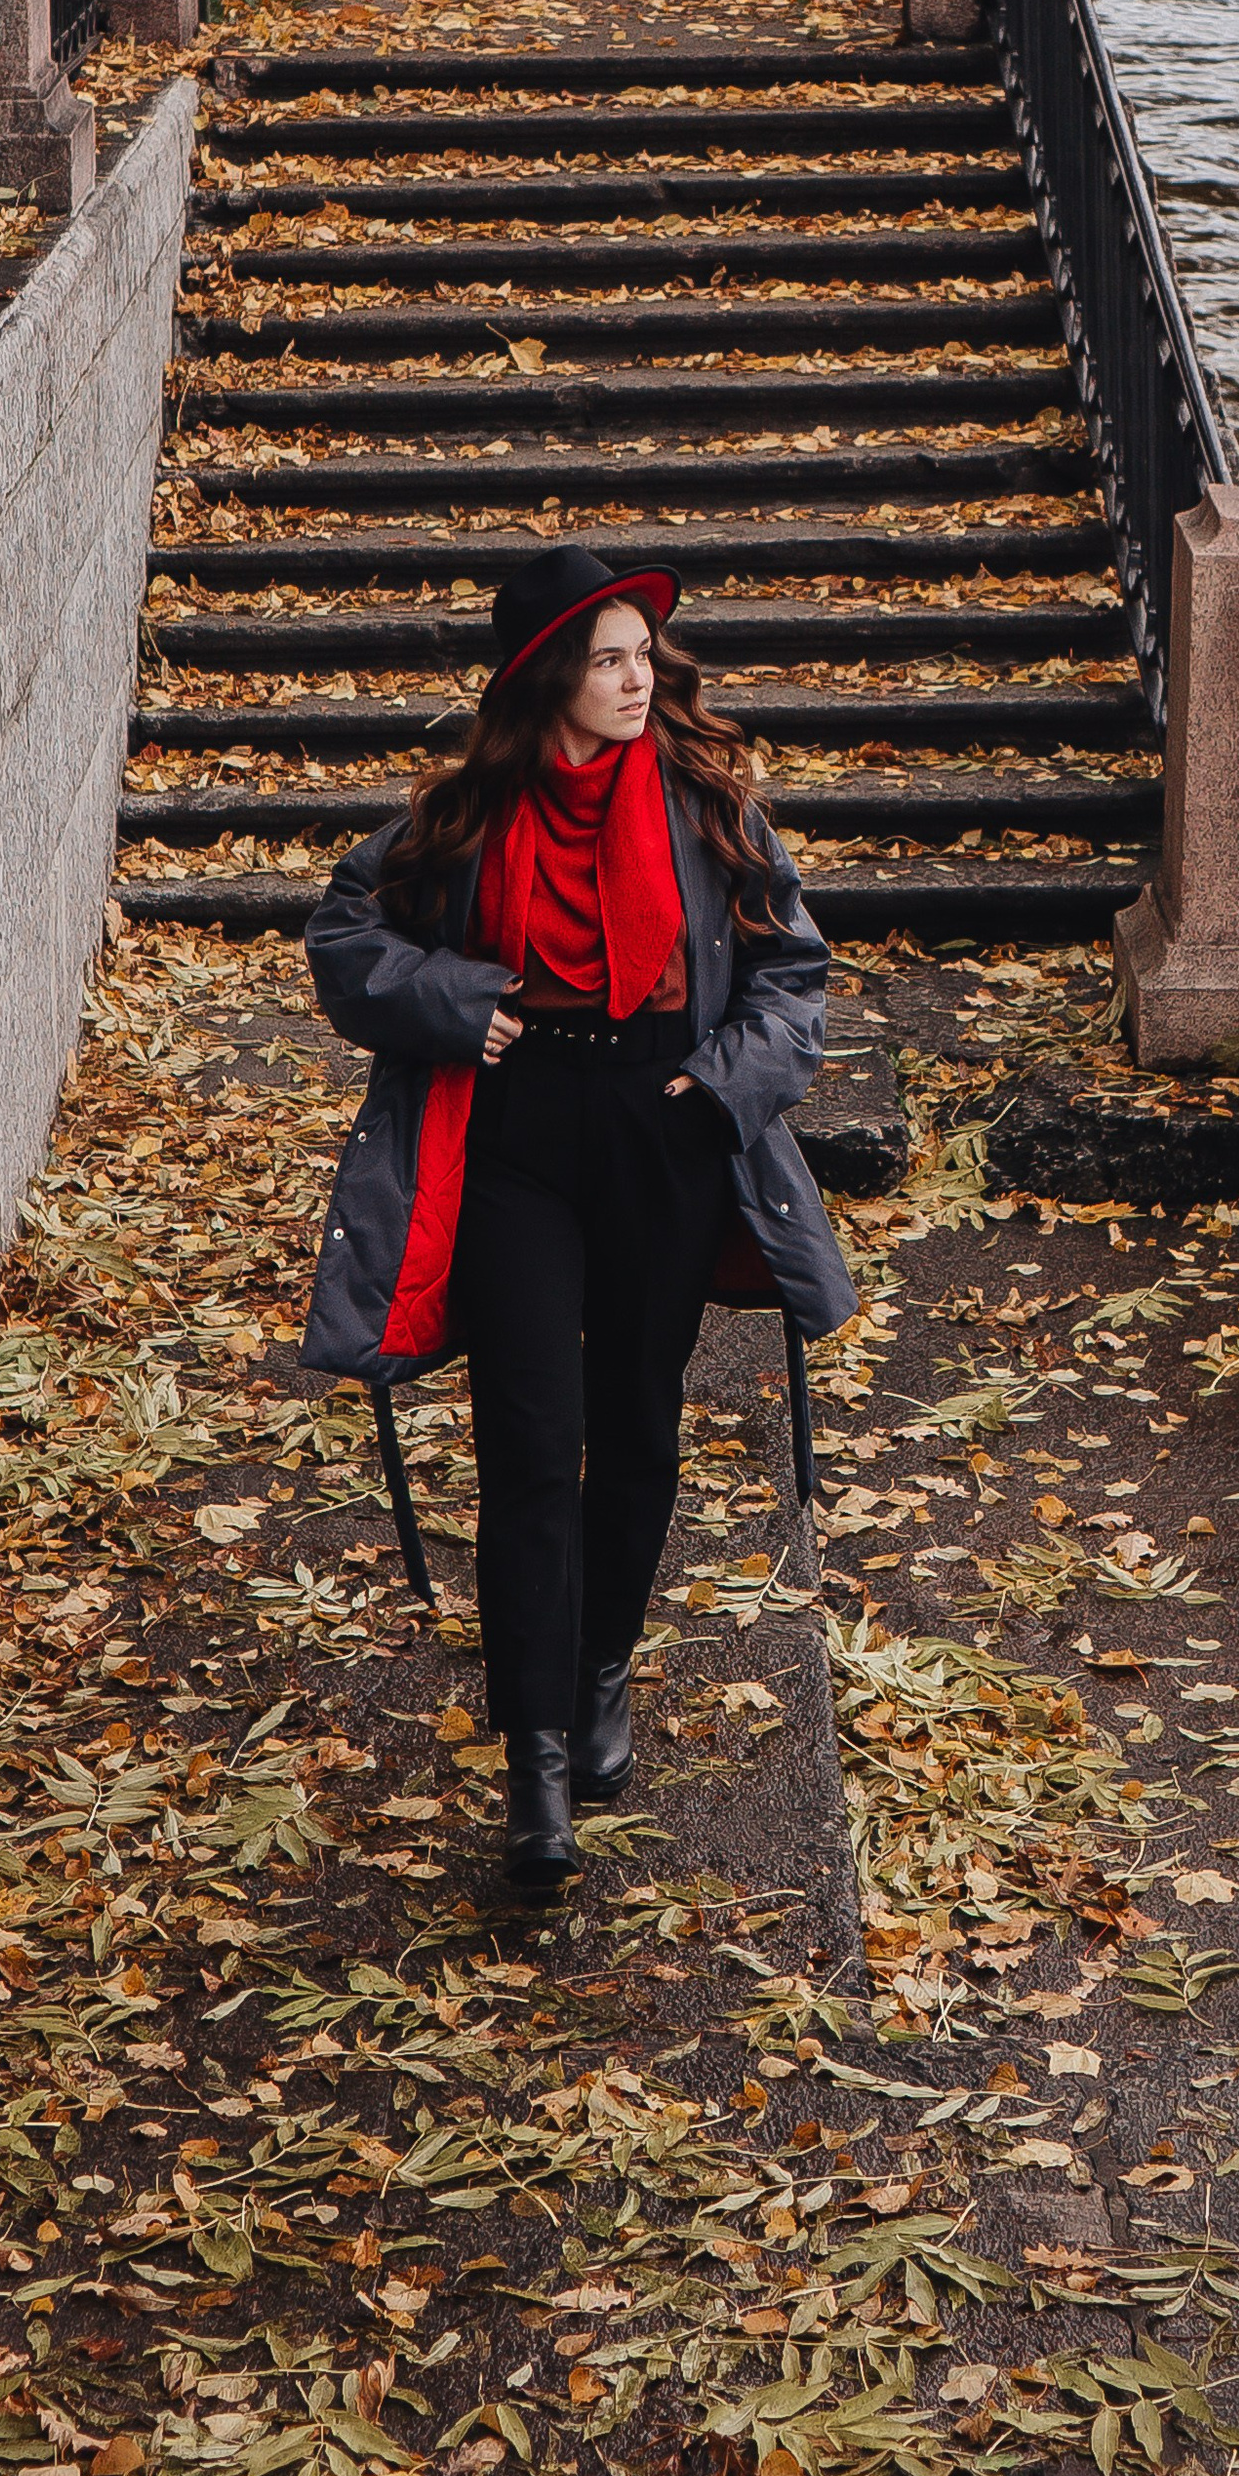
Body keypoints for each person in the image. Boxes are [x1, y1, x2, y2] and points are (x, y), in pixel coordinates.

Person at [298, 544, 855, 1890]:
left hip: (663, 1130)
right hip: (520, 1144)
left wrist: (718, 1086)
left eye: (643, 655)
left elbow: (794, 969)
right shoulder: (468, 814)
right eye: (608, 657)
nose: (637, 676)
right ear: (548, 674)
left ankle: (605, 1664)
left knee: (638, 1435)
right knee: (532, 1445)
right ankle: (536, 1761)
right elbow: (343, 937)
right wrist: (449, 1001)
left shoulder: (707, 797)